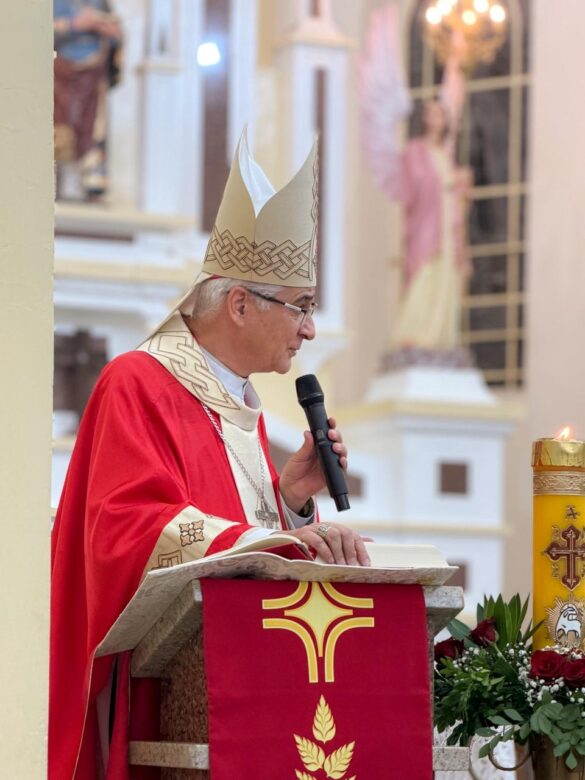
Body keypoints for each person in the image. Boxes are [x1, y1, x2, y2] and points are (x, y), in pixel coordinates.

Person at [49, 132, 370, 780]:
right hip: (160, 697)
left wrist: (289, 502)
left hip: (240, 687)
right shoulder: (137, 383)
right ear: (240, 304)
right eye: (301, 307)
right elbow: (121, 533)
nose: (309, 329)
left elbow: (237, 546)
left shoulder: (236, 401)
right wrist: (277, 544)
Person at [392, 99, 472, 351]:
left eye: (440, 113)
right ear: (424, 119)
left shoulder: (445, 156)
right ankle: (415, 335)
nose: (436, 119)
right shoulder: (416, 150)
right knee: (424, 276)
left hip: (448, 229)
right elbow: (415, 186)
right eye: (431, 113)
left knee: (445, 278)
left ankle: (440, 340)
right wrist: (449, 180)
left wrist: (461, 185)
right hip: (427, 227)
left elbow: (457, 200)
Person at [53, 0, 123, 200]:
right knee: (60, 126)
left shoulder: (100, 3)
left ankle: (92, 181)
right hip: (61, 74)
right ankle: (53, 180)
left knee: (91, 128)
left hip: (92, 77)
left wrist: (109, 30)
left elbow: (116, 35)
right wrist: (76, 25)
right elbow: (35, 32)